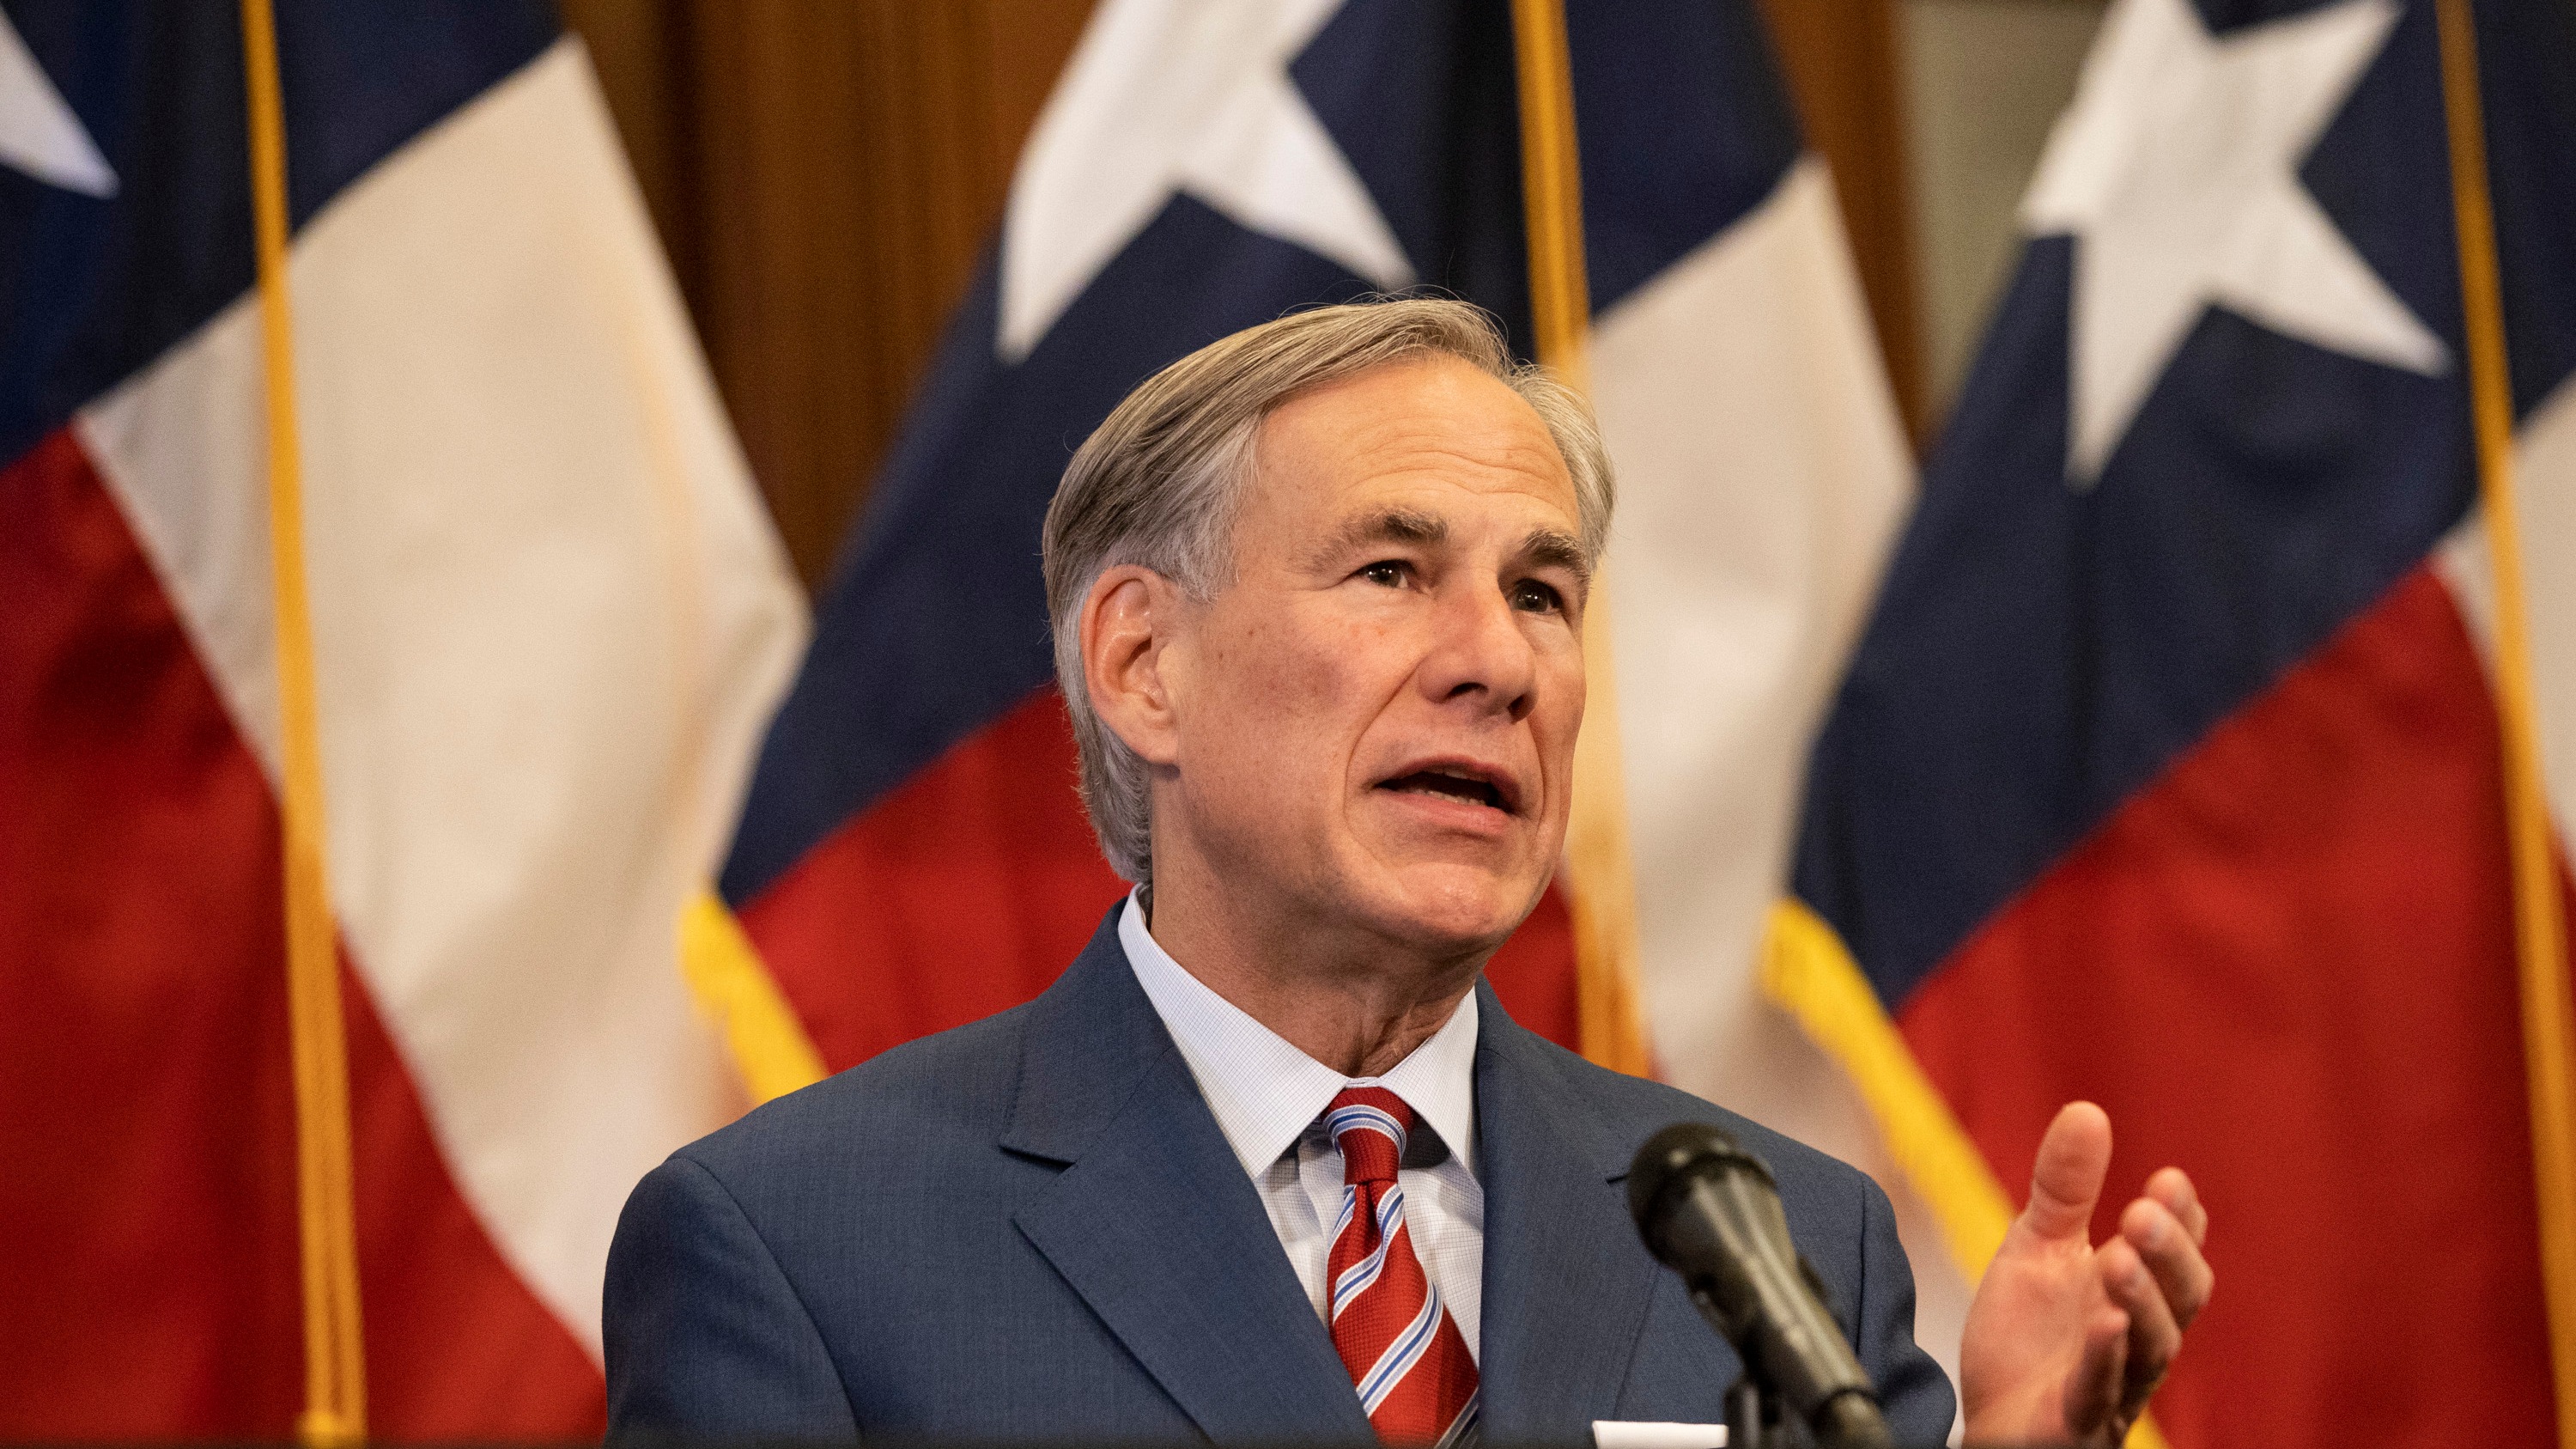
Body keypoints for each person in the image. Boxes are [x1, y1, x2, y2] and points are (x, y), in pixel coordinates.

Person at [604, 299, 2210, 1445]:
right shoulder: (808, 1252)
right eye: (1393, 571)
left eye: (1544, 594)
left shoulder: (1781, 1242)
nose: (1497, 663)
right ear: (1145, 664)